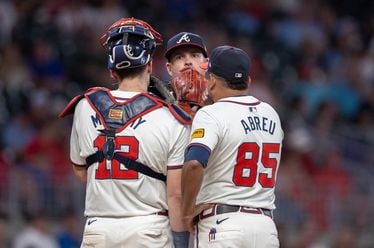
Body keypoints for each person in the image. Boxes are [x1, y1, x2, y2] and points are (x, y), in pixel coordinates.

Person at [60, 18, 190, 247]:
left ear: (112, 71)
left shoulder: (84, 106)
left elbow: (81, 172)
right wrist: (181, 240)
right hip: (148, 230)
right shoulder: (171, 117)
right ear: (149, 64)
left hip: (98, 228)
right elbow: (175, 195)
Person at [181, 45, 284, 248]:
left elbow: (194, 163)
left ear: (211, 81)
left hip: (223, 225)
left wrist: (186, 212)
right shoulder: (271, 113)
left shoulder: (211, 114)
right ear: (248, 81)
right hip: (265, 228)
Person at [164, 32, 210, 117]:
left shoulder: (220, 99)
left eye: (194, 55)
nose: (188, 62)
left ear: (206, 64)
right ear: (169, 69)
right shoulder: (159, 103)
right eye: (179, 57)